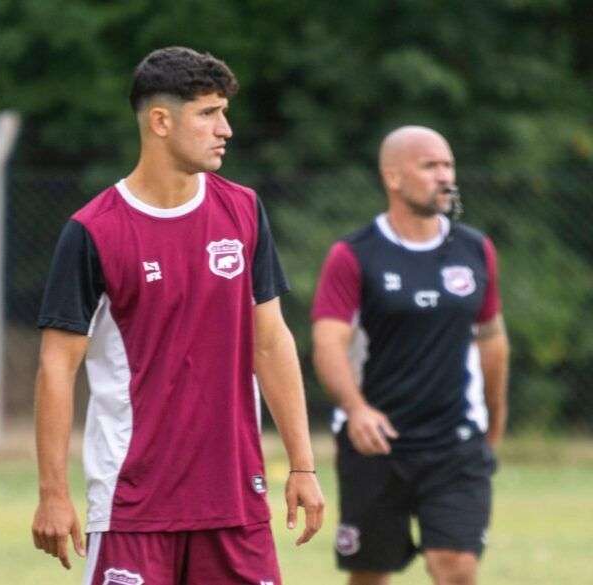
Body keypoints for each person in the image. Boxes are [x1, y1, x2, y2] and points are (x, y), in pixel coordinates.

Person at [31, 46, 324, 584]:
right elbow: (56, 366)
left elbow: (270, 342)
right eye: (208, 113)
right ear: (161, 122)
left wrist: (302, 464)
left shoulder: (243, 210)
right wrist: (53, 493)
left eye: (224, 112)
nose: (225, 129)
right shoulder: (94, 231)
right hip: (133, 506)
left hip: (235, 500)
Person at [311, 126, 510, 585]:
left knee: (455, 565)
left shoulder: (476, 249)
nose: (445, 177)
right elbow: (327, 343)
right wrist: (356, 409)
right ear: (394, 178)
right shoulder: (353, 255)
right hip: (376, 442)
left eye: (448, 165)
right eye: (430, 166)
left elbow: (492, 339)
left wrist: (495, 420)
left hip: (454, 440)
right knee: (370, 573)